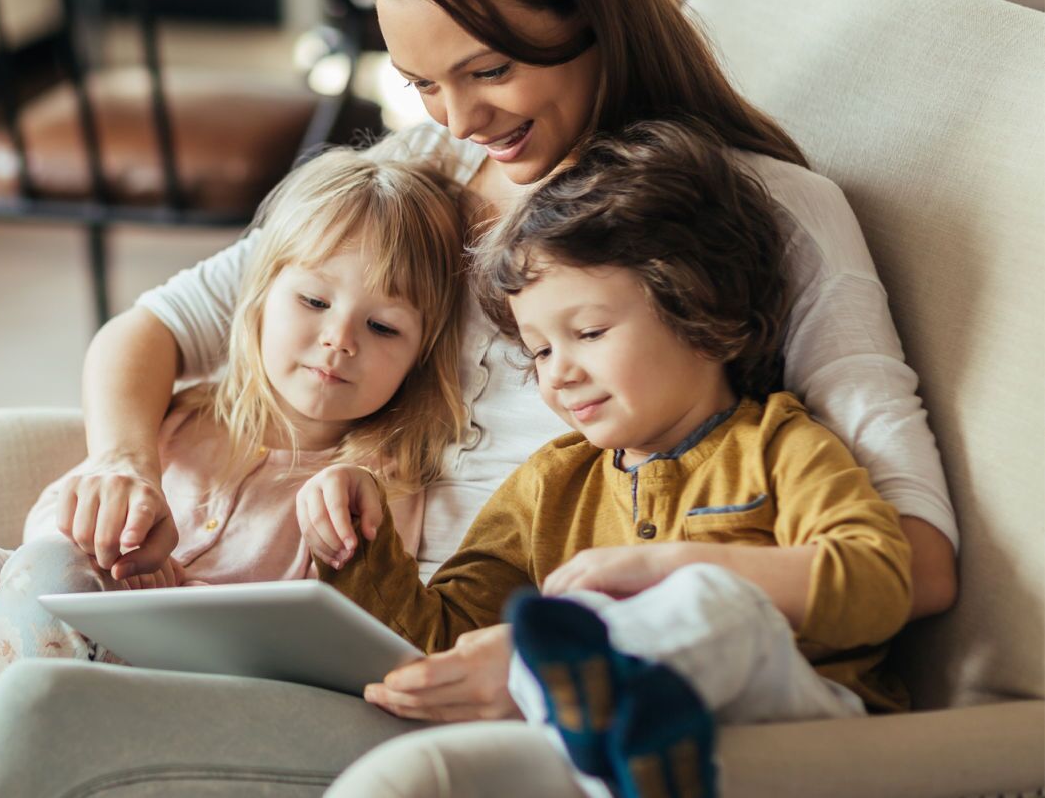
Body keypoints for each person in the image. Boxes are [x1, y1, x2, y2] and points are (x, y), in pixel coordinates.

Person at [0, 0, 958, 793]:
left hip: (510, 680)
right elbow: (150, 330)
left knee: (48, 703)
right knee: (37, 627)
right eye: (420, 83)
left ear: (596, 10)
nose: (460, 122)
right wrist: (124, 462)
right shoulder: (420, 178)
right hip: (356, 630)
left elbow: (917, 560)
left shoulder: (767, 212)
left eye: (489, 70)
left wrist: (595, 630)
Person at [0, 144, 473, 786]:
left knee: (50, 583)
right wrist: (98, 536)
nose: (339, 339)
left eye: (380, 326)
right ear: (259, 297)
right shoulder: (184, 412)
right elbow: (55, 530)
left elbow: (325, 644)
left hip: (164, 701)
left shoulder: (372, 486)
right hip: (45, 640)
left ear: (418, 358)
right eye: (312, 302)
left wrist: (176, 590)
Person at [311, 120, 912, 798]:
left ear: (698, 307)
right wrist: (359, 543)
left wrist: (668, 564)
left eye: (588, 332)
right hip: (595, 758)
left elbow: (880, 581)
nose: (558, 373)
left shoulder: (779, 445)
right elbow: (445, 641)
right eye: (538, 350)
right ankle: (617, 744)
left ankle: (612, 715)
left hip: (802, 737)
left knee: (710, 599)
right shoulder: (550, 483)